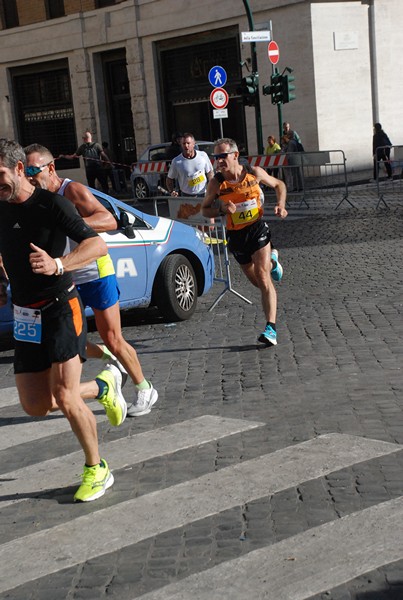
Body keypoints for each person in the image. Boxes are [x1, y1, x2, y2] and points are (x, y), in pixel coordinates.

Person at [0, 138, 123, 502]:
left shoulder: (52, 204)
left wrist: (58, 264)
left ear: (19, 169)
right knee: (36, 405)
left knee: (66, 396)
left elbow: (96, 244)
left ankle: (97, 469)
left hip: (60, 307)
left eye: (0, 175)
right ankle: (103, 388)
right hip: (25, 313)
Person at [24, 144, 158, 418]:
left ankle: (144, 388)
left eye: (32, 170)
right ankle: (111, 362)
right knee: (69, 338)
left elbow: (108, 220)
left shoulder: (71, 191)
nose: (28, 176)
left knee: (112, 337)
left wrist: (70, 222)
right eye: (24, 170)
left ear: (50, 168)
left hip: (96, 271)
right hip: (66, 275)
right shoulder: (36, 198)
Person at [201, 138, 287, 347]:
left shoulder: (254, 173)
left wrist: (281, 205)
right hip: (236, 236)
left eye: (222, 156)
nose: (219, 161)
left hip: (256, 229)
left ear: (235, 155)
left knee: (263, 277)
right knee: (257, 282)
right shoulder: (216, 183)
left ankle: (271, 328)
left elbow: (279, 185)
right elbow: (204, 209)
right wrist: (221, 209)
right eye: (216, 157)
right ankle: (274, 262)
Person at [166, 133, 213, 197]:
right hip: (186, 195)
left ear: (193, 144)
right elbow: (169, 179)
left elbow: (210, 172)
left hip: (203, 194)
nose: (186, 146)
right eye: (183, 144)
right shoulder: (177, 161)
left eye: (188, 143)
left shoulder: (203, 155)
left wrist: (211, 187)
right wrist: (172, 191)